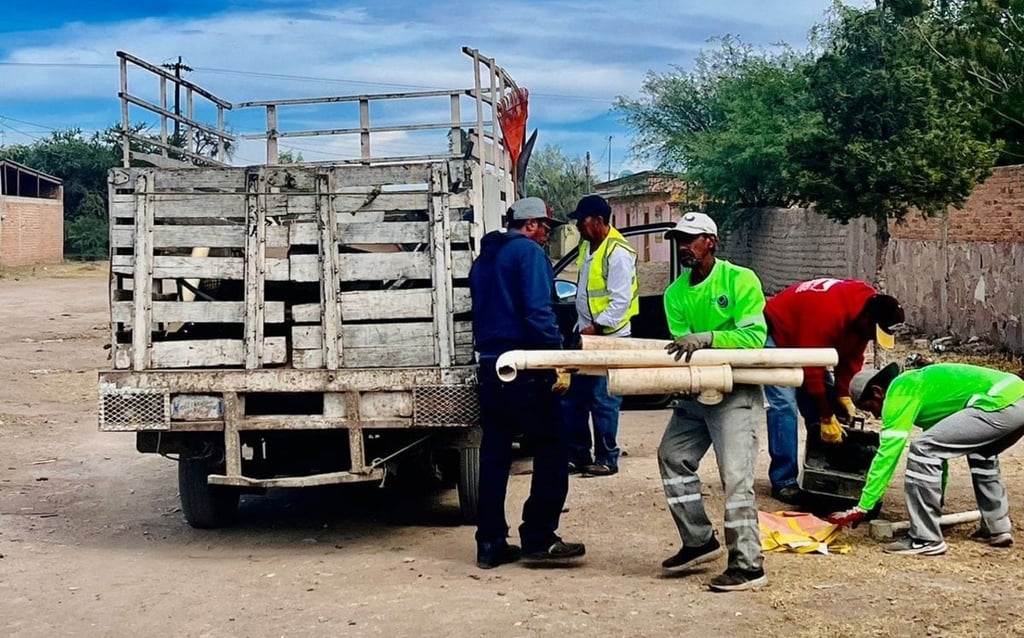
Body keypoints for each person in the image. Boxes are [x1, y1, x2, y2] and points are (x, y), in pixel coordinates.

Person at [468, 196, 586, 569]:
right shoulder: (528, 255)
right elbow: (538, 311)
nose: (545, 236)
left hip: (490, 365)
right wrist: (555, 359)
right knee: (553, 446)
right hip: (526, 363)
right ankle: (538, 537)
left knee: (495, 454)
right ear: (531, 224)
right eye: (545, 228)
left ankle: (489, 544)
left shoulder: (483, 259)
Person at [657, 211, 770, 592]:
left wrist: (707, 338)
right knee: (672, 455)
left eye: (691, 239)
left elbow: (753, 337)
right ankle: (698, 540)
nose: (683, 246)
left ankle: (748, 564)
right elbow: (680, 346)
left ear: (711, 242)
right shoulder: (675, 294)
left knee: (736, 477)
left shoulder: (740, 280)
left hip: (736, 390)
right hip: (696, 393)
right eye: (679, 240)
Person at [828, 362, 1024, 555]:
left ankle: (925, 538)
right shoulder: (925, 392)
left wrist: (863, 505)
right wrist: (936, 504)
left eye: (870, 407)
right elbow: (940, 458)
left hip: (998, 402)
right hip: (1016, 396)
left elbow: (887, 454)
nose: (876, 416)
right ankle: (997, 527)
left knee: (921, 448)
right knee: (981, 452)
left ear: (878, 391)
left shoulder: (899, 391)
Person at [762, 279, 905, 504]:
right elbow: (812, 369)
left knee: (830, 404)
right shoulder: (829, 311)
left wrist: (843, 396)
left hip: (808, 342)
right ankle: (783, 481)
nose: (871, 338)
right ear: (867, 319)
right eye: (872, 333)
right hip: (779, 332)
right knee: (784, 405)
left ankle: (823, 471)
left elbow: (851, 358)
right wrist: (826, 415)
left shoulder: (865, 316)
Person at [562, 194, 639, 478]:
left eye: (582, 221)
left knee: (603, 399)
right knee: (575, 398)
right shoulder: (589, 246)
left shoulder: (616, 252)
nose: (578, 226)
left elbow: (620, 301)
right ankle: (579, 455)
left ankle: (607, 458)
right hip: (586, 335)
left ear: (598, 221)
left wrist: (597, 326)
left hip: (609, 337)